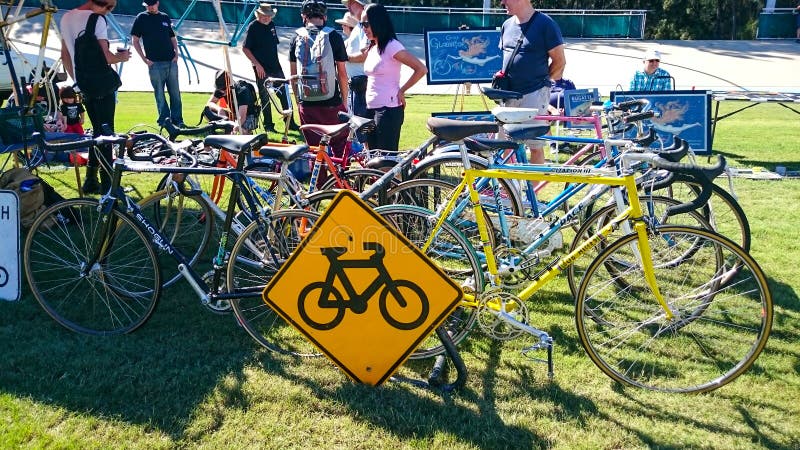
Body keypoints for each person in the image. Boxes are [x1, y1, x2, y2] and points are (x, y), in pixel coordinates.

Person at [60, 0, 131, 194]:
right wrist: (123, 58)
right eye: (107, 6)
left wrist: (77, 81)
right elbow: (107, 57)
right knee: (106, 133)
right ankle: (108, 184)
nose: (107, 12)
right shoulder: (97, 20)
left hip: (84, 84)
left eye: (111, 8)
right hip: (101, 84)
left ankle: (91, 179)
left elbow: (65, 55)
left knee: (98, 132)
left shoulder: (66, 18)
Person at [498, 0, 566, 164]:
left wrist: (541, 85)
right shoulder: (506, 25)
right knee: (504, 144)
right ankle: (508, 188)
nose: (502, 2)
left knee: (535, 146)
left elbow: (560, 62)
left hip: (533, 96)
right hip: (508, 97)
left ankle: (533, 190)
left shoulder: (545, 24)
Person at [360, 3, 427, 152]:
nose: (363, 28)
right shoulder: (373, 47)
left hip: (388, 110)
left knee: (386, 161)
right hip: (371, 108)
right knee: (373, 158)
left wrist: (402, 91)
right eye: (361, 24)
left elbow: (421, 69)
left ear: (378, 22)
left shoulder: (392, 46)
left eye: (366, 24)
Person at [289, 0, 349, 154]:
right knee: (340, 144)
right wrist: (344, 101)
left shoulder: (296, 38)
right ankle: (341, 177)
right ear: (325, 16)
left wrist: (298, 101)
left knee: (315, 150)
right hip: (332, 102)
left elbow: (293, 76)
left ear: (304, 16)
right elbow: (342, 73)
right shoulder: (334, 36)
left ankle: (320, 178)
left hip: (307, 102)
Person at [242, 3, 298, 133]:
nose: (266, 18)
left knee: (284, 94)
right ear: (258, 15)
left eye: (268, 16)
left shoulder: (272, 25)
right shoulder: (253, 27)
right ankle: (268, 125)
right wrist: (257, 65)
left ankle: (290, 122)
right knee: (265, 96)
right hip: (261, 68)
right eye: (263, 15)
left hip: (275, 66)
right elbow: (245, 48)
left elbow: (273, 45)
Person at [131, 0, 184, 127]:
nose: (150, 7)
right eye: (148, 5)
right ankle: (164, 120)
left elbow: (172, 37)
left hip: (171, 61)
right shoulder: (141, 18)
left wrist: (176, 53)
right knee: (159, 93)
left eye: (152, 4)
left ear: (157, 3)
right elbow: (135, 40)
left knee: (175, 93)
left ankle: (178, 120)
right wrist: (144, 59)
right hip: (154, 62)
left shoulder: (164, 17)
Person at [340, 0, 370, 118]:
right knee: (355, 126)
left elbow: (366, 55)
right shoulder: (359, 26)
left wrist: (344, 57)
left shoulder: (365, 25)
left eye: (351, 3)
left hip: (361, 84)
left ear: (361, 4)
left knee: (359, 127)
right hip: (356, 84)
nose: (348, 7)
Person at [206, 70, 258, 134]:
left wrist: (235, 127)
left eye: (224, 88)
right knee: (208, 111)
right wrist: (220, 109)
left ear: (230, 84)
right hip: (235, 114)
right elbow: (209, 103)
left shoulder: (242, 91)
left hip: (248, 116)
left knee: (242, 130)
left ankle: (247, 132)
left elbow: (242, 117)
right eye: (219, 89)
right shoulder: (221, 90)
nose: (222, 91)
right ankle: (227, 129)